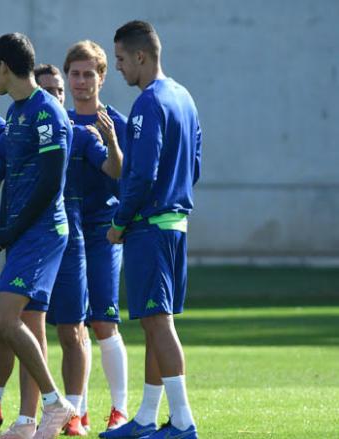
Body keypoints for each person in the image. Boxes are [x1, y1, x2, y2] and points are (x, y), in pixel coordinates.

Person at [0, 33, 74, 439]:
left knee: (4, 317)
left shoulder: (48, 113)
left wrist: (5, 234)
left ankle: (56, 404)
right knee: (26, 326)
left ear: (5, 66)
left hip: (43, 233)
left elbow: (48, 187)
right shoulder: (13, 115)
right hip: (22, 235)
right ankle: (26, 422)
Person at [101, 20, 202, 439]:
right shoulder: (185, 97)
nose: (119, 68)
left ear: (141, 56)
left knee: (159, 324)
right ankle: (145, 418)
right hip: (175, 225)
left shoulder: (149, 102)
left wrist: (120, 221)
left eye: (121, 60)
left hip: (149, 228)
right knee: (153, 321)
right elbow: (194, 165)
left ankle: (182, 421)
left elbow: (141, 172)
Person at [64, 40, 129, 430]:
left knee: (105, 321)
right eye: (76, 73)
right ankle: (77, 410)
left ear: (102, 77)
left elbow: (125, 179)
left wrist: (111, 142)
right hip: (67, 234)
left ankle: (119, 410)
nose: (82, 81)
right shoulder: (62, 122)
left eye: (90, 73)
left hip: (104, 233)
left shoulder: (116, 123)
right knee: (74, 325)